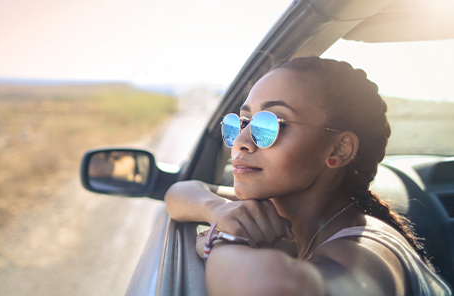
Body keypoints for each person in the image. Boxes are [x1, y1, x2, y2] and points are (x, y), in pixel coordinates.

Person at [165, 56, 451, 296]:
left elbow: (271, 288)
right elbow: (181, 192)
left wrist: (225, 239)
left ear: (339, 149)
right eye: (241, 122)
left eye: (270, 124)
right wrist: (216, 209)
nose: (240, 140)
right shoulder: (281, 210)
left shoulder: (366, 250)